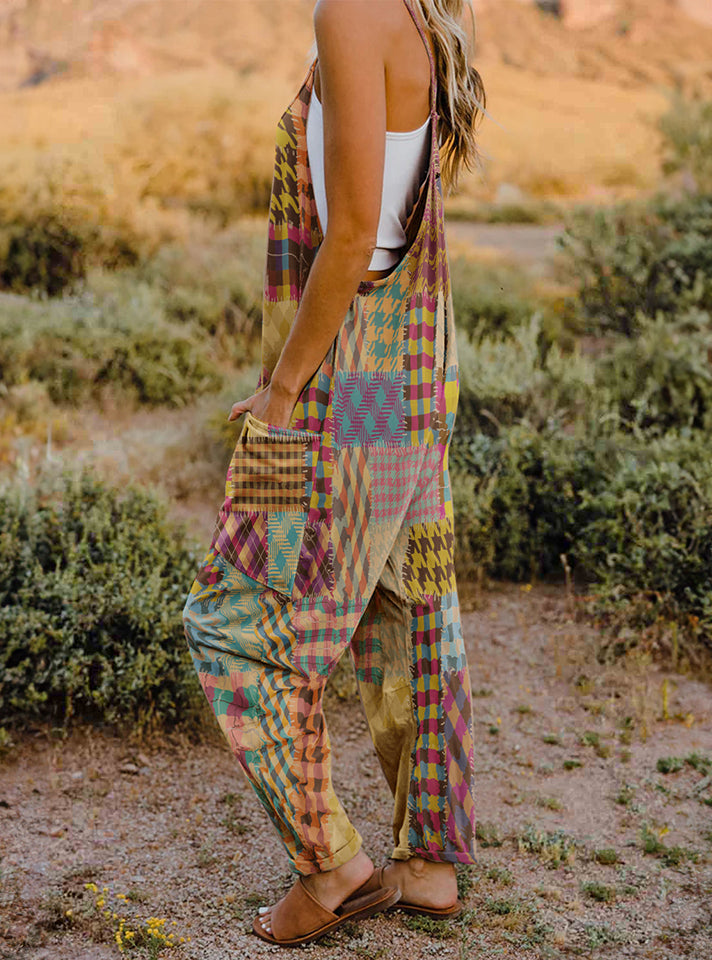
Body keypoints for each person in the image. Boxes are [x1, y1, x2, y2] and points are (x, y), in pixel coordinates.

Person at [182, 0, 487, 947]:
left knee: (233, 627)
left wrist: (282, 393)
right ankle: (429, 862)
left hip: (355, 380)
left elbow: (353, 233)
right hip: (407, 368)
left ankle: (334, 867)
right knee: (408, 612)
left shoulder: (351, 10)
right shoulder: (418, 8)